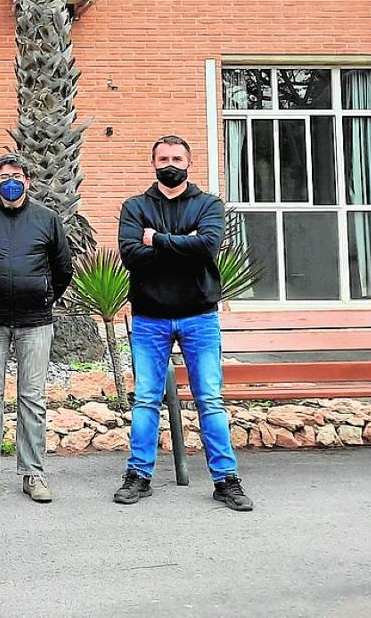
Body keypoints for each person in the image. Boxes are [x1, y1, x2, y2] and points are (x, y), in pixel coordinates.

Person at [115, 135, 253, 512]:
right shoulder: (135, 206)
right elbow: (131, 255)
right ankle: (138, 475)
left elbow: (208, 247)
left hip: (199, 317)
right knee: (146, 399)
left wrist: (157, 240)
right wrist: (183, 244)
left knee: (209, 399)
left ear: (189, 163)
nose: (170, 165)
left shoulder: (208, 204)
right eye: (163, 159)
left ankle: (226, 480)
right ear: (153, 164)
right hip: (149, 318)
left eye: (177, 158)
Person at [0, 153, 72, 504]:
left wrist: (44, 295)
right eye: (5, 177)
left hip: (35, 321)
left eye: (17, 176)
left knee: (32, 399)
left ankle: (33, 474)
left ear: (28, 181)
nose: (11, 182)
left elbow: (63, 268)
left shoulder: (47, 219)